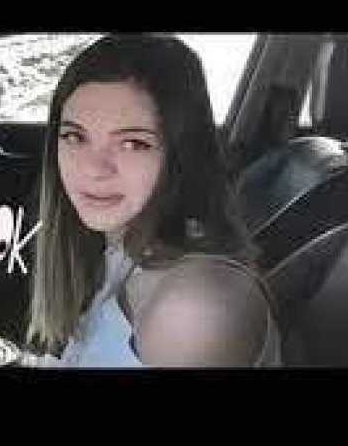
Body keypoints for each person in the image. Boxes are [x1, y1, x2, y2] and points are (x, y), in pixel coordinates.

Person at [23, 33, 280, 367]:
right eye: (75, 136)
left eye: (133, 143)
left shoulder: (194, 309)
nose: (93, 169)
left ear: (182, 153)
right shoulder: (123, 251)